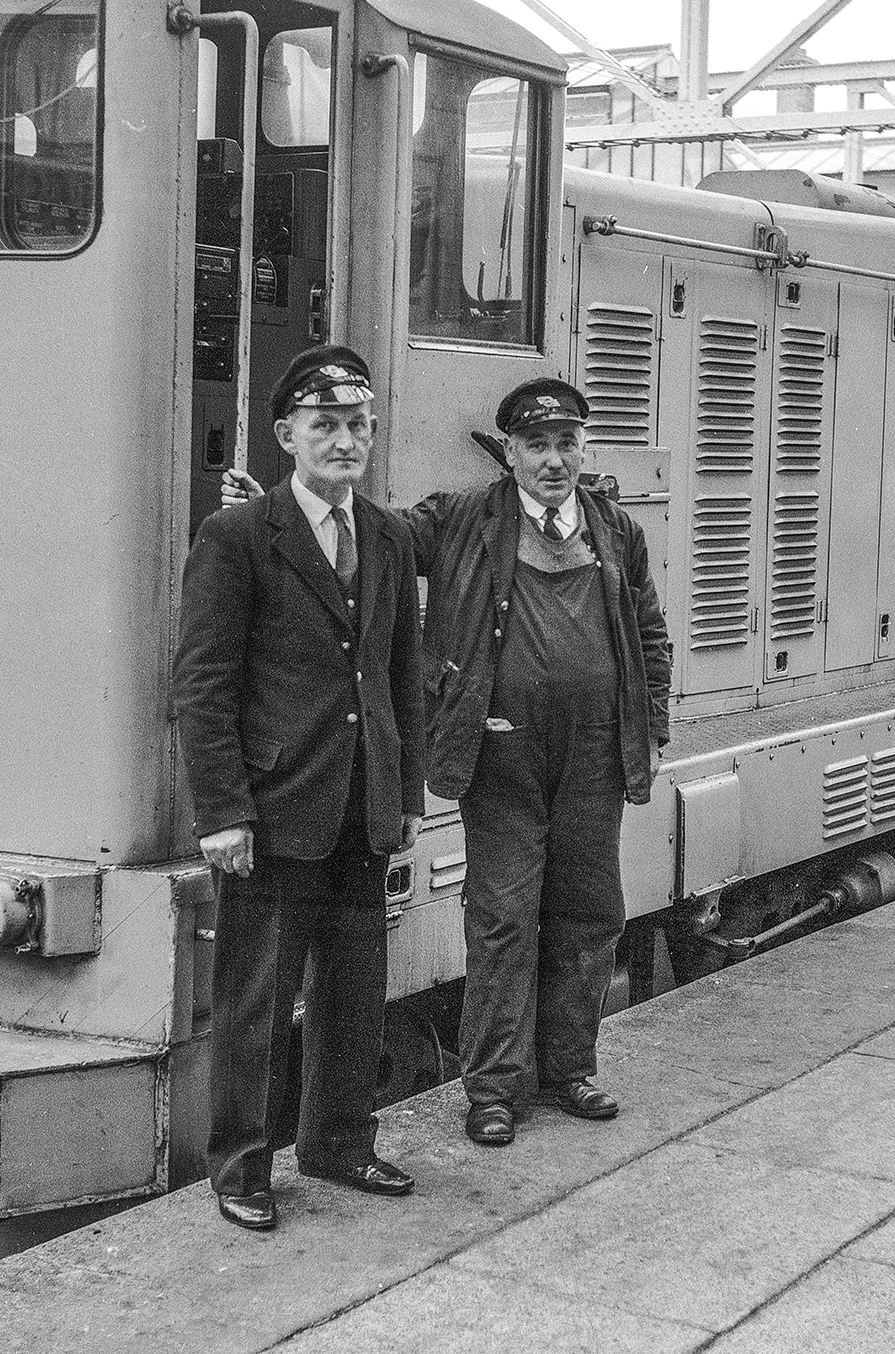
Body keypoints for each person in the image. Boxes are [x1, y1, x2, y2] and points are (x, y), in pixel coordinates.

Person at [222, 376, 671, 1150]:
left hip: (596, 753)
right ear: (510, 455)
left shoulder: (615, 528)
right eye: (538, 446)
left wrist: (653, 726)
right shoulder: (462, 519)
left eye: (568, 443)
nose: (555, 460)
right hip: (500, 755)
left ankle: (569, 1069)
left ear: (583, 447)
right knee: (501, 919)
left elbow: (650, 632)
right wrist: (272, 507)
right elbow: (364, 535)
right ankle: (496, 1090)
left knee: (589, 915)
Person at [173, 344, 425, 1231]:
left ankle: (338, 1143)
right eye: (326, 426)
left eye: (357, 426)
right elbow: (202, 685)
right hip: (275, 812)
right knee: (258, 998)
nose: (345, 441)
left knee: (356, 988)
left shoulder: (388, 535)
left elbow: (400, 675)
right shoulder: (239, 535)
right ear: (288, 435)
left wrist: (405, 796)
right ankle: (242, 1167)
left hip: (362, 806)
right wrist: (223, 813)